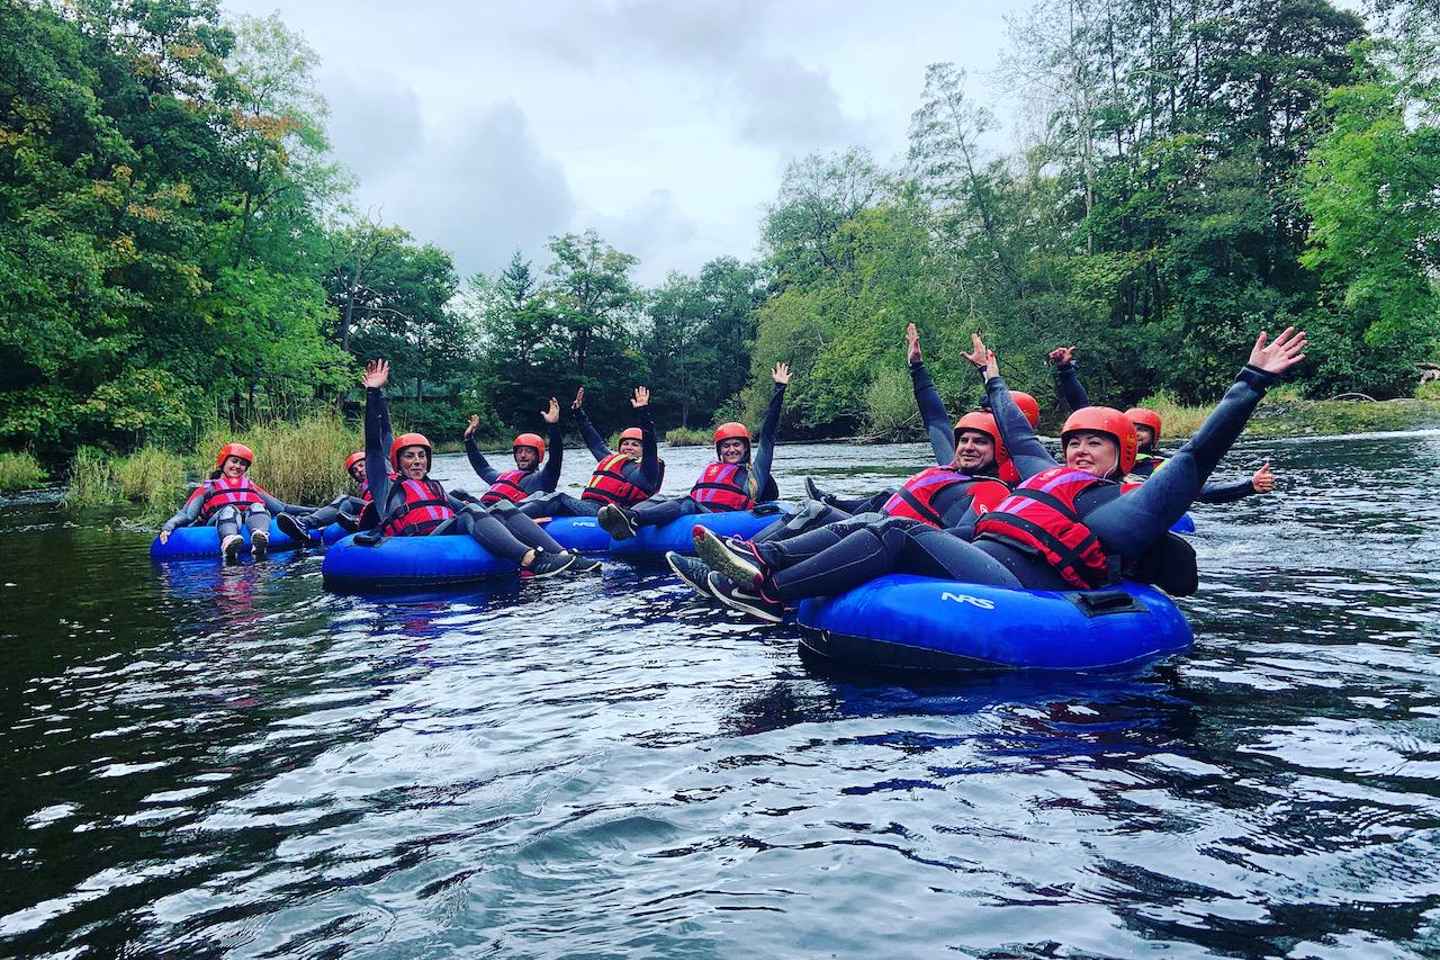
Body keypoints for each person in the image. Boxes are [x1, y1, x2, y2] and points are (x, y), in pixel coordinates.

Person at [688, 327, 1307, 621]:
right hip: (978, 554)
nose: (1083, 450)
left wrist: (1249, 384)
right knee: (881, 518)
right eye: (1076, 440)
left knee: (899, 533)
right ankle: (761, 564)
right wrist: (992, 376)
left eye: (1099, 443)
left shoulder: (1121, 508)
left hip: (1017, 585)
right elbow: (1013, 427)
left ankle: (770, 586)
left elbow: (1195, 459)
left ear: (1123, 456)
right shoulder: (1041, 470)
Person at [749, 323, 1010, 544]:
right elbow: (936, 421)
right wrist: (916, 367)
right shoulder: (955, 465)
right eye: (965, 439)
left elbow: (967, 536)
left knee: (873, 507)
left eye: (980, 440)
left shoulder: (1008, 481)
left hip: (908, 544)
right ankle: (749, 553)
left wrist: (988, 375)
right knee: (818, 509)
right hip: (883, 530)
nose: (968, 446)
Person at [357, 360, 598, 577]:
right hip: (419, 542)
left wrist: (509, 518)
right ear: (397, 462)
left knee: (500, 507)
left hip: (445, 534)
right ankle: (531, 559)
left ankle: (567, 557)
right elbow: (375, 445)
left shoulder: (434, 487)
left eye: (421, 456)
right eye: (409, 457)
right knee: (471, 511)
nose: (417, 461)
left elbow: (472, 507)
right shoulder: (385, 486)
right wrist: (374, 392)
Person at [1049, 344, 1276, 501]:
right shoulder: (1085, 457)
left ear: (1154, 437)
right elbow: (1084, 413)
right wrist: (1066, 370)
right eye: (1131, 428)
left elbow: (1199, 489)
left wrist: (1248, 486)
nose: (1135, 434)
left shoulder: (1159, 466)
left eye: (1142, 431)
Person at [596, 363, 791, 539]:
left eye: (737, 445)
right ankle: (621, 517)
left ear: (746, 448)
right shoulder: (714, 469)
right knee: (660, 499)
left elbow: (768, 436)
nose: (731, 449)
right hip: (699, 513)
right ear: (719, 450)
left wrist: (779, 389)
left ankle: (634, 518)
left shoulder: (756, 474)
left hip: (721, 520)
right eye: (726, 445)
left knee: (687, 502)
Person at [519, 386, 664, 519]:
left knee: (558, 498)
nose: (628, 447)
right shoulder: (611, 460)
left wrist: (643, 412)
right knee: (542, 495)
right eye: (625, 443)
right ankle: (505, 513)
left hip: (606, 512)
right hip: (587, 506)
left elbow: (651, 444)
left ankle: (508, 520)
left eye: (635, 445)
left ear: (643, 450)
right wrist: (578, 412)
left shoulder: (647, 472)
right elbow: (594, 442)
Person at [159, 443, 315, 562]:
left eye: (242, 464)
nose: (237, 466)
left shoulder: (250, 485)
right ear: (223, 462)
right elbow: (187, 514)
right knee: (229, 509)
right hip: (219, 521)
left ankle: (259, 536)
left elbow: (281, 507)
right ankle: (229, 540)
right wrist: (169, 526)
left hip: (251, 520)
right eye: (234, 461)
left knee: (257, 506)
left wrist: (314, 511)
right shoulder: (208, 486)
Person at [464, 400, 564, 507]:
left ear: (539, 455)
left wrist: (553, 426)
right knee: (458, 492)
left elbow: (555, 458)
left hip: (504, 517)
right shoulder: (502, 477)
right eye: (519, 451)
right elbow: (482, 467)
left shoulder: (542, 480)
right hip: (483, 512)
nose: (523, 455)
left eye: (528, 451)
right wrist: (468, 439)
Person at [277, 450, 374, 539]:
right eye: (355, 471)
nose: (359, 471)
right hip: (369, 513)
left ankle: (304, 523)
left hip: (381, 511)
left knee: (345, 500)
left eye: (361, 465)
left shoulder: (383, 475)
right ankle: (307, 523)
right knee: (342, 507)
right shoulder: (363, 488)